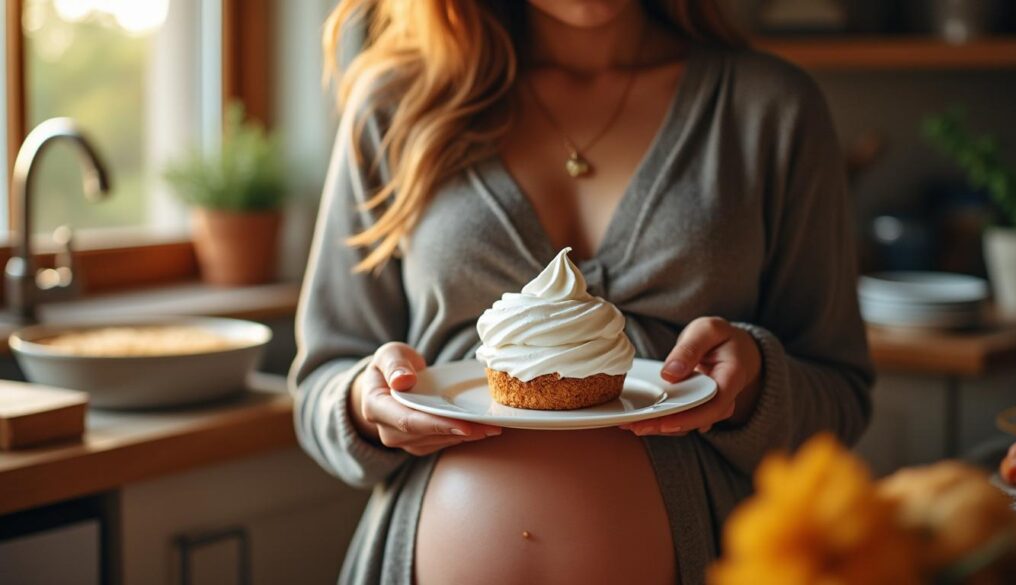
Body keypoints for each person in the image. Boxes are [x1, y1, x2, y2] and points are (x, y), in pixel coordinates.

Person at [290, 1, 874, 583]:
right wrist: (365, 407)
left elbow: (841, 394)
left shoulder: (771, 107)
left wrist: (752, 391)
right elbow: (320, 382)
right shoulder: (396, 106)